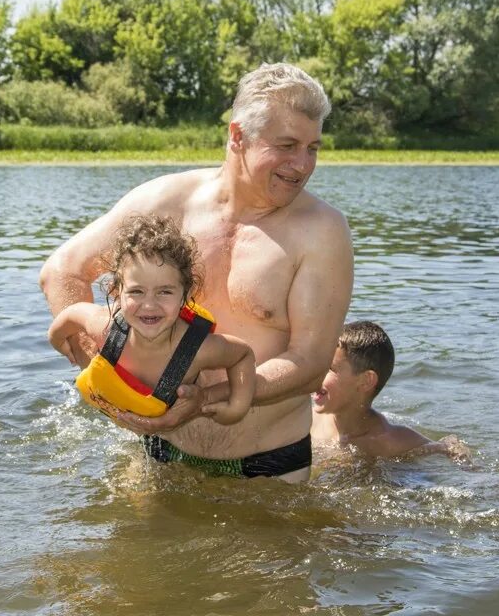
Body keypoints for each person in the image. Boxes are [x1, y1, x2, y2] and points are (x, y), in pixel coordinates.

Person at [40, 62, 354, 482]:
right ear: (238, 136)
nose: (302, 165)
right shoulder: (167, 200)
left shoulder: (323, 232)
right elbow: (64, 270)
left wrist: (208, 397)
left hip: (267, 469)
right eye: (287, 145)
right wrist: (103, 369)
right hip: (158, 453)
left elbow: (311, 362)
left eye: (313, 148)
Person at [48, 214, 255, 426]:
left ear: (186, 293)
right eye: (136, 291)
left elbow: (242, 356)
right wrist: (59, 341)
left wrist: (237, 407)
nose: (149, 306)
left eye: (164, 292)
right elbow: (70, 315)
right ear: (116, 291)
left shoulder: (200, 350)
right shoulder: (105, 327)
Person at [311, 321, 471, 462]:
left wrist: (464, 460)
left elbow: (448, 446)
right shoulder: (307, 421)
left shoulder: (388, 441)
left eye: (330, 369)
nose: (316, 374)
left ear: (366, 381)